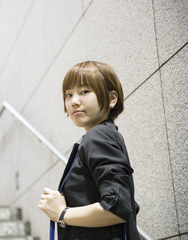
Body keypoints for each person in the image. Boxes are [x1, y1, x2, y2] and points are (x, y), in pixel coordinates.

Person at [38, 61, 140, 239]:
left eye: (84, 92)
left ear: (111, 99)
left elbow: (116, 207)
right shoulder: (106, 135)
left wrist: (62, 213)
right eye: (69, 94)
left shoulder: (98, 136)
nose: (74, 101)